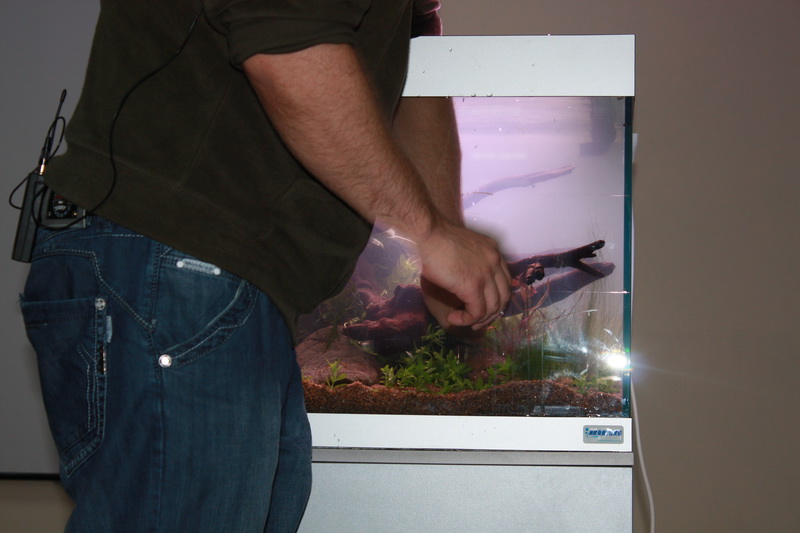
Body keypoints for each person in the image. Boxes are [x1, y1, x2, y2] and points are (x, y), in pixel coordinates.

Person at [20, 1, 511, 531]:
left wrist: (444, 241)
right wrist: (431, 233)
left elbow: (416, 53)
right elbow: (285, 43)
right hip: (175, 259)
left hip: (230, 285)